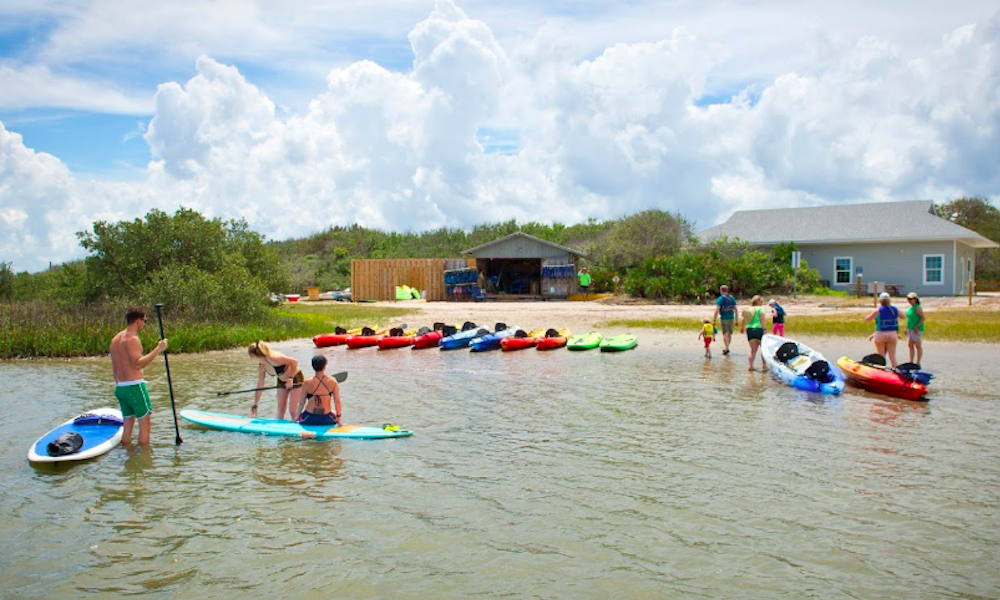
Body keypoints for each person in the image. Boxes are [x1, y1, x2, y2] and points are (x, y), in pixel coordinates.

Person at [109, 306, 168, 446]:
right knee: (145, 424)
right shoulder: (132, 339)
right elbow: (138, 364)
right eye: (144, 321)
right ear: (137, 321)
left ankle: (129, 456)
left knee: (128, 423)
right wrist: (158, 349)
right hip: (134, 386)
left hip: (120, 388)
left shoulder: (115, 339)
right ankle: (144, 458)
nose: (144, 324)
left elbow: (115, 367)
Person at [248, 340, 303, 420]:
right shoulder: (262, 366)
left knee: (292, 411)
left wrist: (290, 379)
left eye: (252, 356)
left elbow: (294, 362)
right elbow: (260, 385)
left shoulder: (275, 358)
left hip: (295, 378)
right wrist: (255, 405)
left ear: (256, 355)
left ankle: (301, 426)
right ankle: (280, 431)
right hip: (281, 381)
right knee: (280, 411)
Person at [298, 355, 342, 425]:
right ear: (325, 366)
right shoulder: (333, 381)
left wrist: (297, 417)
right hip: (327, 419)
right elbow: (337, 402)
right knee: (334, 412)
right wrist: (339, 418)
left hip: (309, 419)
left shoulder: (306, 382)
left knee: (303, 412)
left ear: (313, 366)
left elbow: (301, 403)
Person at [865, 292, 901, 368]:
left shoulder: (878, 310)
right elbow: (903, 316)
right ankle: (896, 370)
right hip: (892, 334)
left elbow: (867, 319)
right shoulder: (894, 309)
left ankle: (881, 370)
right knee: (892, 356)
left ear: (880, 301)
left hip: (880, 334)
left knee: (881, 356)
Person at [740, 295, 768, 371]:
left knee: (753, 350)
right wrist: (765, 330)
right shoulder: (760, 309)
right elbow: (762, 319)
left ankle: (750, 366)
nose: (762, 303)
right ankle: (764, 366)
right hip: (758, 329)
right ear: (758, 302)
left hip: (749, 329)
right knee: (764, 349)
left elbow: (743, 319)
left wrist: (742, 328)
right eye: (761, 302)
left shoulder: (748, 309)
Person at [712, 284, 738, 355]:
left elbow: (717, 310)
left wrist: (714, 320)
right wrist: (736, 320)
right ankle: (727, 347)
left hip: (724, 318)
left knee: (725, 333)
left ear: (721, 291)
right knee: (729, 333)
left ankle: (726, 348)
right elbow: (735, 309)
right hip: (731, 317)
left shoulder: (720, 299)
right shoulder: (732, 298)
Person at [905, 292, 926, 366]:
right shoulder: (911, 308)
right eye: (908, 299)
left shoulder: (917, 307)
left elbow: (923, 318)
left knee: (917, 345)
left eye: (911, 299)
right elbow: (909, 319)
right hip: (910, 328)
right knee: (910, 344)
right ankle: (911, 360)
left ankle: (918, 362)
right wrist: (906, 327)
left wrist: (917, 326)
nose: (909, 301)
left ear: (915, 299)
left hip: (916, 329)